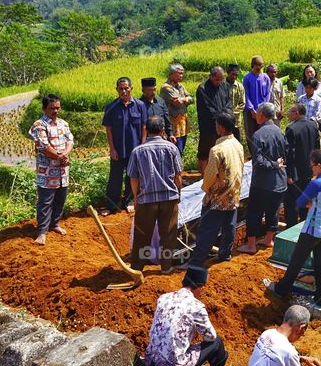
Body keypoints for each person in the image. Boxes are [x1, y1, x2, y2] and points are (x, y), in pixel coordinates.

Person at [266, 150, 321, 307]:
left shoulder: (316, 183)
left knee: (296, 261)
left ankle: (281, 289)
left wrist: (309, 202)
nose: (311, 168)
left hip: (312, 229)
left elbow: (299, 202)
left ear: (319, 166)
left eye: (312, 165)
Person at [144, 266, 236, 366]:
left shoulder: (163, 298)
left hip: (150, 363)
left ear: (184, 281)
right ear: (200, 287)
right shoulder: (196, 306)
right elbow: (210, 337)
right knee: (217, 343)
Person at [127, 116, 182, 273]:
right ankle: (166, 266)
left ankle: (137, 267)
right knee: (168, 235)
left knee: (142, 235)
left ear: (146, 130)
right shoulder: (172, 148)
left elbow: (134, 178)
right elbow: (178, 176)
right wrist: (178, 193)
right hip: (169, 199)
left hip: (146, 200)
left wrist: (136, 198)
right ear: (162, 130)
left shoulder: (137, 151)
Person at [189, 112, 244, 267]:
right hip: (233, 194)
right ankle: (225, 254)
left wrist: (206, 190)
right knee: (229, 227)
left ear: (220, 127)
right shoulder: (238, 145)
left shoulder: (217, 150)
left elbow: (210, 176)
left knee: (207, 230)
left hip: (217, 197)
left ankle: (197, 260)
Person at [238, 103, 287, 254]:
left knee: (254, 211)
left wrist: (273, 164)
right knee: (273, 210)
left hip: (263, 183)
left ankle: (251, 245)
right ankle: (268, 239)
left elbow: (258, 161)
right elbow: (286, 153)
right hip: (280, 181)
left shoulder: (258, 135)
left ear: (262, 115)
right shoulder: (280, 132)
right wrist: (278, 164)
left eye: (257, 113)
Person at [243, 305, 321, 366]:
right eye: (303, 332)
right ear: (301, 328)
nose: (301, 336)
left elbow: (276, 356)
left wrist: (302, 358)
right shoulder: (289, 351)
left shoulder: (267, 334)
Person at [29, 93, 74, 246]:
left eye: (57, 108)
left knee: (60, 199)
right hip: (46, 171)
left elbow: (70, 140)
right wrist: (59, 157)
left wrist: (65, 154)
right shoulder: (39, 125)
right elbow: (42, 145)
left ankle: (54, 224)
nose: (55, 111)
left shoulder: (63, 123)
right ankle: (42, 232)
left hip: (62, 171)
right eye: (52, 108)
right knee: (45, 201)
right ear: (44, 108)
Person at [102, 77, 148, 215]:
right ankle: (111, 205)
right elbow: (108, 129)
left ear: (131, 88)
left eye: (126, 88)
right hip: (118, 150)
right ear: (117, 90)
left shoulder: (140, 105)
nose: (124, 91)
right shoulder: (111, 107)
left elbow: (144, 126)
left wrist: (142, 145)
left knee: (132, 177)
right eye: (121, 88)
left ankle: (129, 202)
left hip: (134, 149)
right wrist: (112, 148)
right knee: (115, 177)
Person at [284, 103, 319, 227]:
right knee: (305, 196)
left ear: (297, 113)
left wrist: (288, 174)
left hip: (295, 172)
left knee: (291, 200)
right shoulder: (313, 126)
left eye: (290, 112)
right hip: (309, 169)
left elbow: (289, 154)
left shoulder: (291, 129)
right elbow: (317, 149)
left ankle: (291, 225)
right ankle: (304, 221)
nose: (288, 114)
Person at [197, 66, 232, 175]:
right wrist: (221, 118)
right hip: (208, 127)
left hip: (223, 126)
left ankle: (219, 174)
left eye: (221, 79)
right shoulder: (202, 88)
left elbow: (229, 103)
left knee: (221, 150)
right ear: (210, 77)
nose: (219, 82)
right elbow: (208, 109)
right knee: (205, 152)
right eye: (217, 79)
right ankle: (204, 177)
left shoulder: (225, 85)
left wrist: (225, 119)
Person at [161, 64, 194, 154]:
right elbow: (178, 103)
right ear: (171, 74)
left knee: (181, 150)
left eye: (182, 73)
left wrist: (185, 99)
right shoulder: (166, 88)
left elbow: (191, 98)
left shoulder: (180, 86)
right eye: (179, 73)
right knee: (174, 151)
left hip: (183, 125)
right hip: (173, 126)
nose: (181, 76)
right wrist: (186, 99)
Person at [244, 56, 272, 143]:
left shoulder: (266, 78)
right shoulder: (247, 78)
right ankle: (253, 154)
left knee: (263, 132)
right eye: (255, 64)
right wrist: (252, 110)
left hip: (263, 112)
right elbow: (246, 95)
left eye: (260, 65)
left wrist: (263, 109)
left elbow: (268, 94)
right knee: (251, 133)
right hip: (250, 112)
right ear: (252, 65)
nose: (257, 67)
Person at [225, 64, 246, 142]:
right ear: (228, 72)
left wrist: (232, 113)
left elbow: (242, 103)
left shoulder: (240, 86)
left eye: (236, 75)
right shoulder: (221, 85)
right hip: (223, 118)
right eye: (232, 74)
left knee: (236, 140)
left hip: (235, 120)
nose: (234, 77)